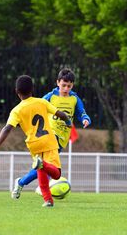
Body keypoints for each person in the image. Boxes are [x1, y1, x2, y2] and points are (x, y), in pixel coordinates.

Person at [0, 75, 72, 207]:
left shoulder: (16, 110)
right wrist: (68, 122)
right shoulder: (41, 102)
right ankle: (42, 166)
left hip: (34, 144)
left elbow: (7, 129)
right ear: (33, 89)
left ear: (17, 92)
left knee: (41, 173)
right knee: (56, 174)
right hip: (49, 141)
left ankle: (48, 200)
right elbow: (61, 114)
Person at [13, 68, 91, 198]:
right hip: (50, 135)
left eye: (69, 86)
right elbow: (36, 106)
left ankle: (22, 182)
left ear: (72, 85)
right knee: (48, 165)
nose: (66, 88)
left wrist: (85, 119)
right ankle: (37, 187)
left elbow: (81, 112)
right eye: (63, 85)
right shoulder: (50, 97)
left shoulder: (75, 99)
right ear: (57, 83)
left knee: (46, 165)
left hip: (62, 138)